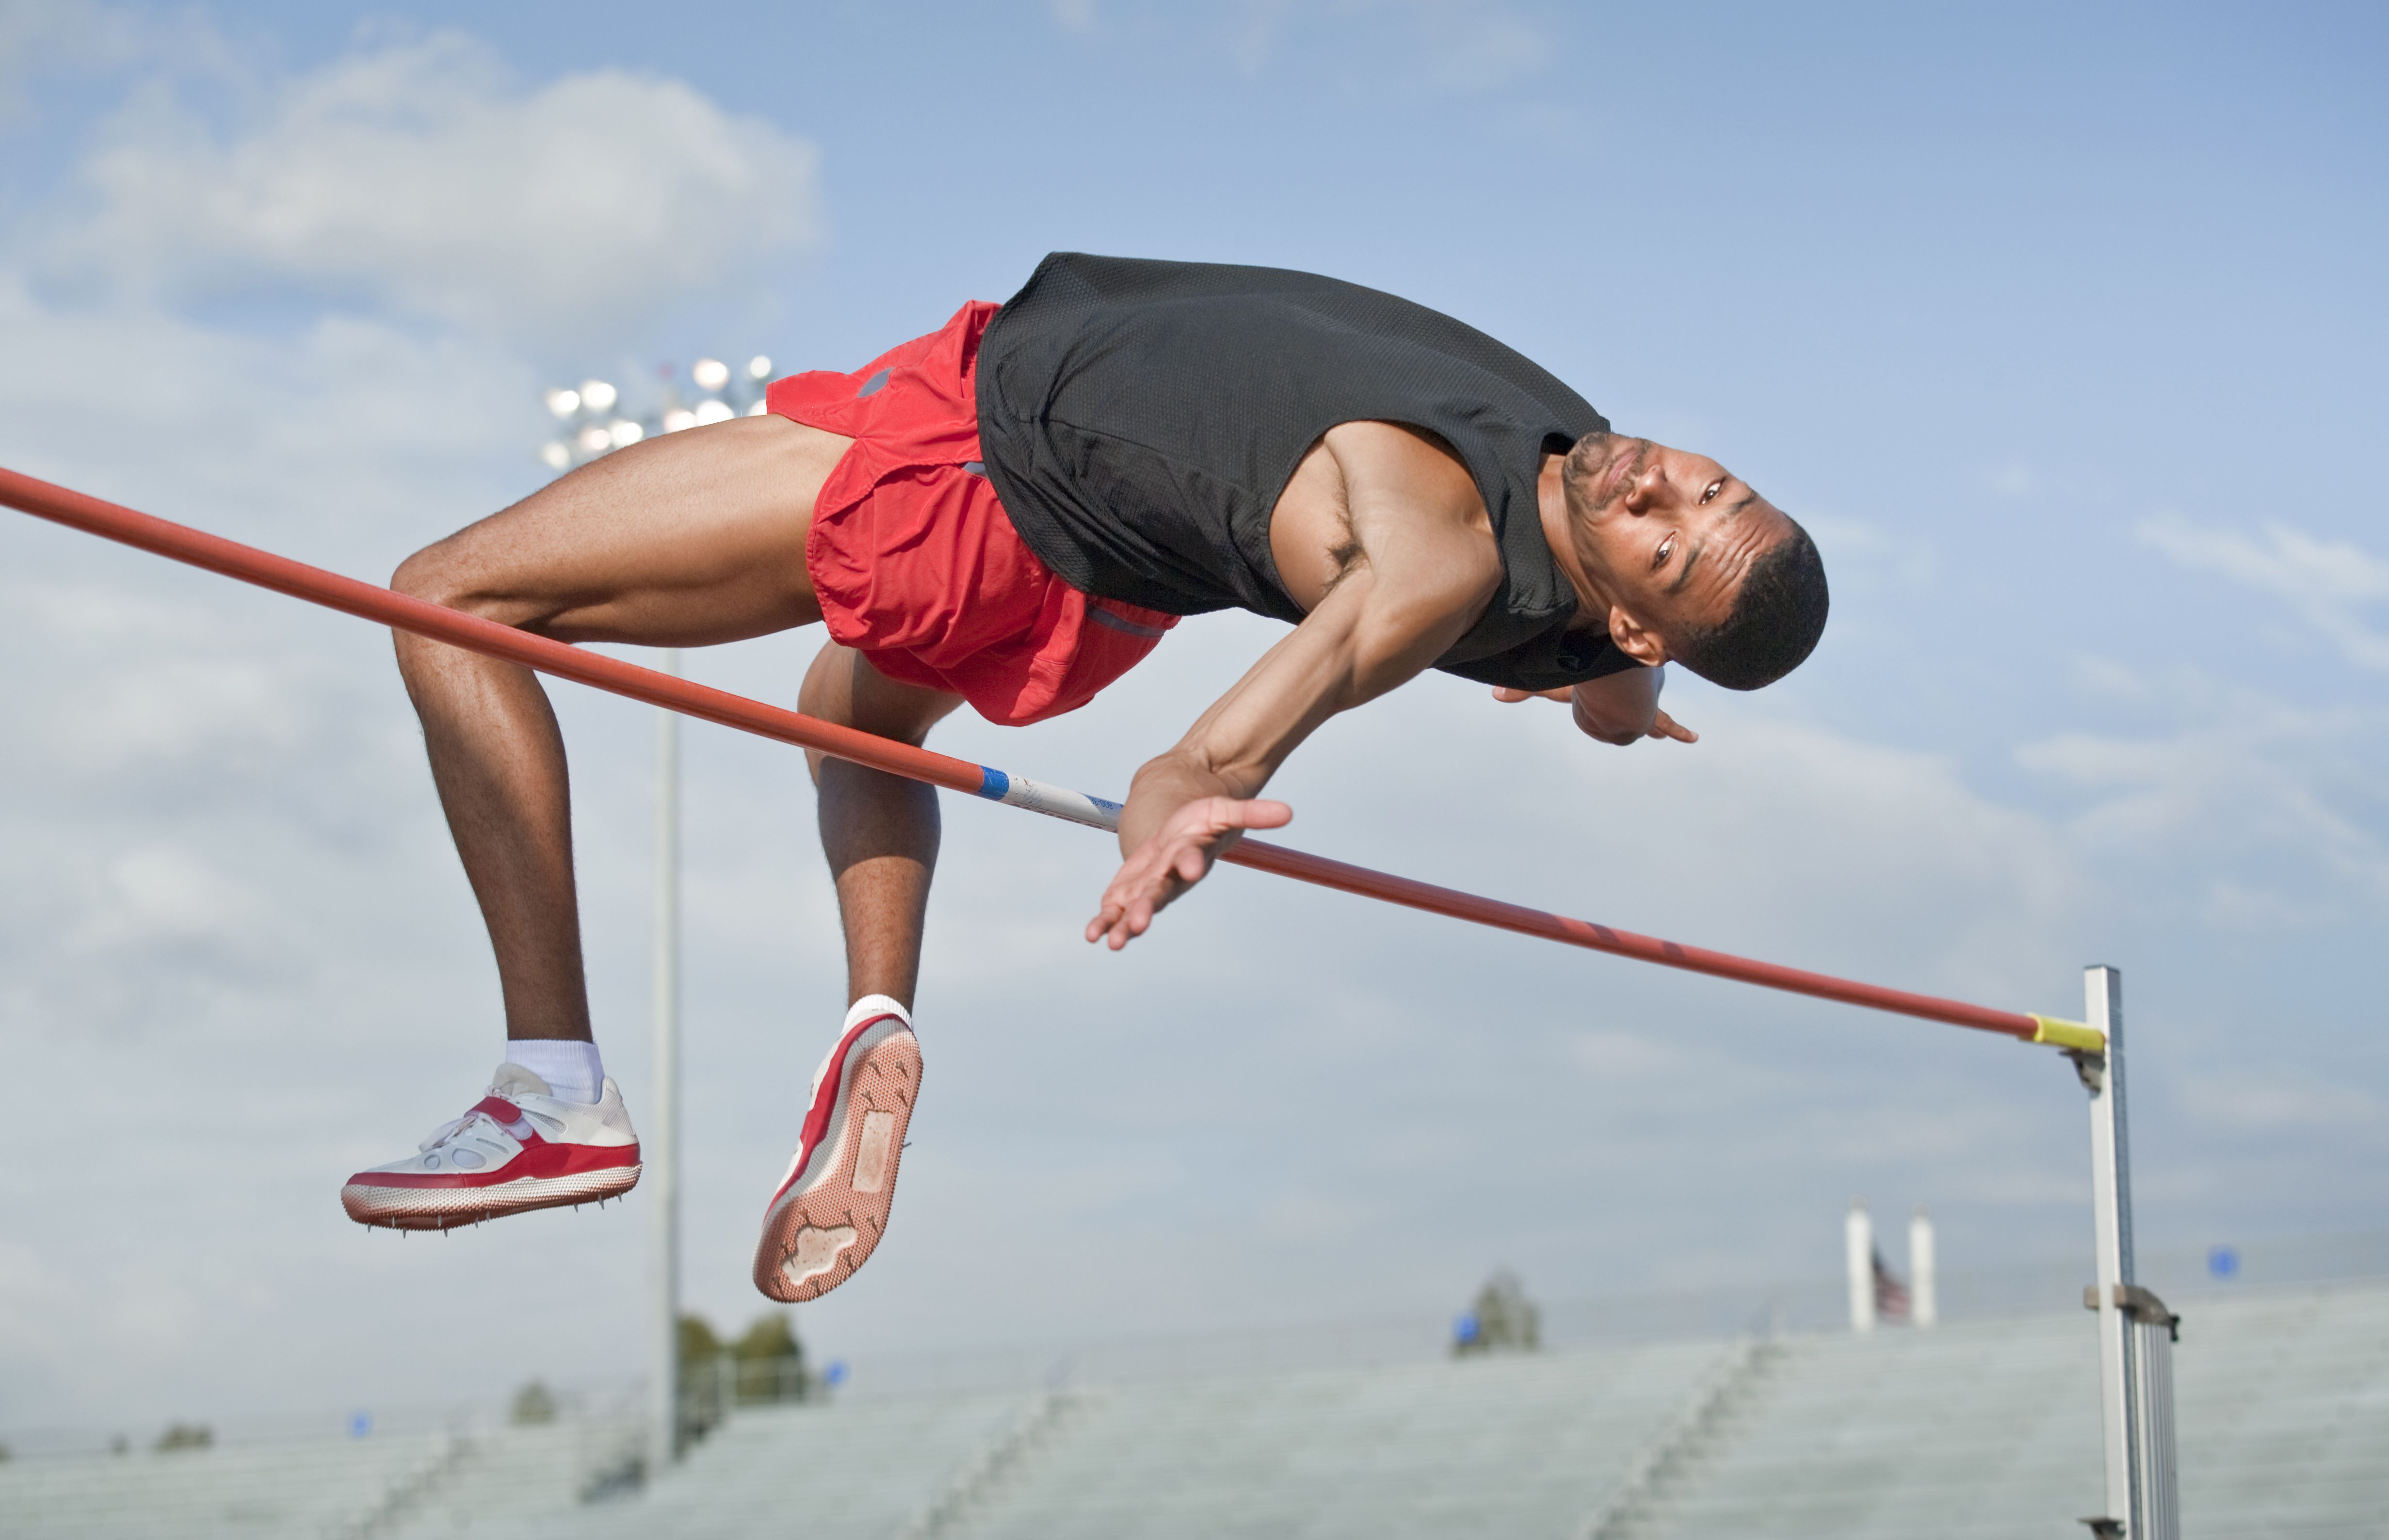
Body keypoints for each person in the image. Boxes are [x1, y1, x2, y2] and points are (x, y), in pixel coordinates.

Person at [341, 254, 1828, 1302]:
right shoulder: (1591, 556)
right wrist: (1618, 708)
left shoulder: (1438, 557)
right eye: (1706, 486)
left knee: (456, 599)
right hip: (1092, 557)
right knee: (848, 726)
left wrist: (1192, 784)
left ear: (1634, 604)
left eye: (1669, 533)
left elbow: (1249, 722)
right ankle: (875, 1015)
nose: (1656, 484)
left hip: (975, 467)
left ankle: (554, 1089)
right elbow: (1616, 664)